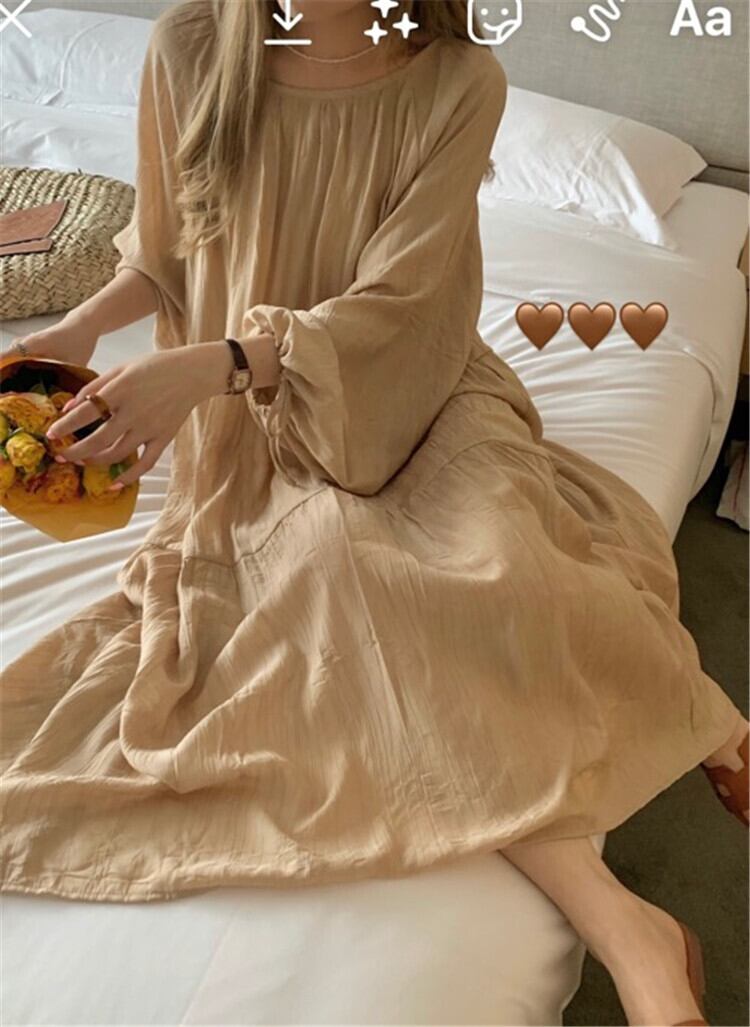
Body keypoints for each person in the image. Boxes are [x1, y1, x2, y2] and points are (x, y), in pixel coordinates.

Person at [1, 2, 747, 1023]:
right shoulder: (191, 47)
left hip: (415, 389)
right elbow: (166, 250)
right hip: (250, 423)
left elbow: (404, 306)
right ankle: (630, 927)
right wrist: (85, 327)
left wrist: (213, 365)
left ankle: (688, 727)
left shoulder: (458, 83)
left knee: (497, 564)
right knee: (342, 582)